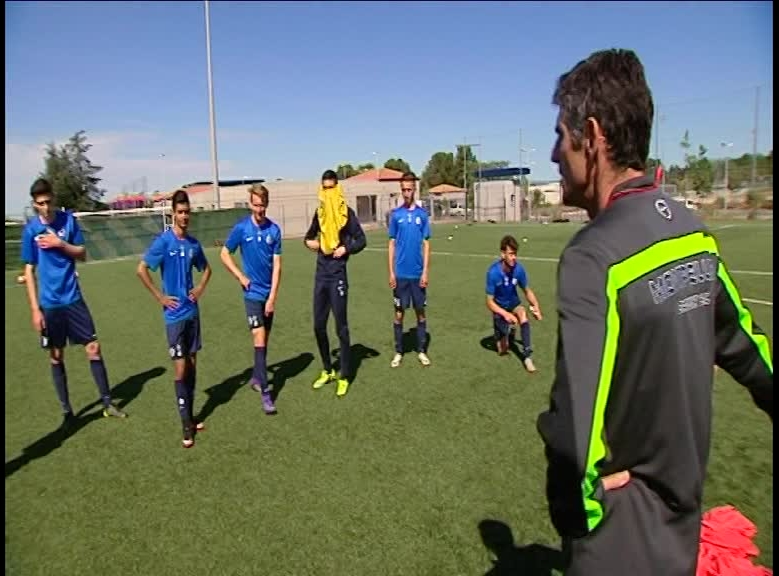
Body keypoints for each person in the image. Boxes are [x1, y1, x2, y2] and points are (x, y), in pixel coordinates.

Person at [536, 49, 773, 576]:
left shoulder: (593, 255)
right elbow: (749, 348)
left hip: (620, 541)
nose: (555, 154)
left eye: (560, 135)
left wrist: (577, 510)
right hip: (680, 528)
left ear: (591, 136)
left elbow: (574, 419)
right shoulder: (692, 231)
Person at [21, 178, 127, 425]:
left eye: (48, 202)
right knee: (56, 356)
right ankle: (67, 412)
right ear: (34, 205)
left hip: (73, 298)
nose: (46, 207)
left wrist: (60, 244)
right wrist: (35, 310)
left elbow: (82, 254)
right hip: (49, 304)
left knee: (93, 348)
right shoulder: (30, 231)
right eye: (40, 204)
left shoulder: (68, 221)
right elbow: (28, 270)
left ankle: (107, 402)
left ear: (54, 199)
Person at [137, 189, 212, 448]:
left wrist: (200, 288)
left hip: (192, 314)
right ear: (173, 214)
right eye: (180, 212)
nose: (184, 216)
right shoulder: (164, 242)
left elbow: (207, 269)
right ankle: (185, 426)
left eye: (187, 212)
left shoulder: (193, 245)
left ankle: (191, 417)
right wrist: (159, 296)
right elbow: (142, 269)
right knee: (180, 369)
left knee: (192, 365)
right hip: (174, 318)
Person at [220, 183, 282, 415]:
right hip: (252, 294)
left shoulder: (274, 231)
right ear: (250, 204)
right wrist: (240, 276)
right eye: (256, 205)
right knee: (259, 337)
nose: (259, 209)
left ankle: (257, 377)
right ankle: (266, 393)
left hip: (268, 295)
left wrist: (273, 296)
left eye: (263, 205)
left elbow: (277, 265)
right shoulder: (241, 229)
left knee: (264, 342)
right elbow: (225, 253)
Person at [304, 169, 367, 397]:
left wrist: (345, 248)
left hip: (338, 275)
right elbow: (307, 238)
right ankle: (328, 369)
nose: (328, 192)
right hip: (321, 275)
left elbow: (361, 240)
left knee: (341, 327)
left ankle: (345, 375)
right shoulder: (319, 213)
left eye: (332, 188)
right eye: (325, 188)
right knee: (318, 326)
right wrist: (316, 244)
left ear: (337, 188)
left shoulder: (346, 214)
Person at [388, 172, 432, 368]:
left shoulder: (422, 215)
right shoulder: (396, 215)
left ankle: (421, 350)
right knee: (399, 313)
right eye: (403, 189)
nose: (406, 192)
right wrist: (391, 272)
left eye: (409, 189)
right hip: (400, 274)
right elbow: (391, 244)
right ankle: (399, 351)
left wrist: (425, 272)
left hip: (417, 274)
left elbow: (427, 244)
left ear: (414, 189)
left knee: (420, 312)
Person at [485, 234, 542, 373]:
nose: (514, 257)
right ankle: (506, 333)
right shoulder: (493, 273)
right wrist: (504, 314)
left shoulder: (519, 269)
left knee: (522, 315)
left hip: (514, 303)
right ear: (503, 254)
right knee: (502, 350)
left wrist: (536, 307)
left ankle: (527, 356)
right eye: (511, 254)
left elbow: (527, 290)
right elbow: (489, 302)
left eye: (515, 254)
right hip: (499, 308)